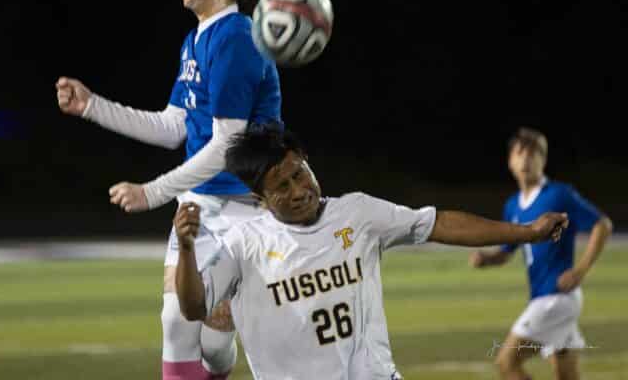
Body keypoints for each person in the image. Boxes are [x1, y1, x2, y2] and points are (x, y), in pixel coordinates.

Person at [56, 0, 287, 379]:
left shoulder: (239, 37)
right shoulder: (194, 40)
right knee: (178, 321)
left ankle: (226, 338)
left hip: (246, 205)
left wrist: (152, 192)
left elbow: (228, 144)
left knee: (215, 342)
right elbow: (173, 126)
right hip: (200, 203)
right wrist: (92, 107)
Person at [172, 125, 569, 380]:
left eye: (300, 173)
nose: (299, 190)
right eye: (282, 186)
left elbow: (439, 223)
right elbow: (194, 307)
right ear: (260, 197)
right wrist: (187, 248)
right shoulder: (245, 244)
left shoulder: (358, 213)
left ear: (308, 163)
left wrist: (527, 232)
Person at [470, 127, 612, 380]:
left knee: (506, 362)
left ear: (543, 160)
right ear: (510, 161)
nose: (526, 159)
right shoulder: (512, 205)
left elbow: (602, 225)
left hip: (555, 298)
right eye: (520, 153)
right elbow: (507, 250)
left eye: (533, 154)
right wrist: (488, 259)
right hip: (547, 298)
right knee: (567, 375)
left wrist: (580, 270)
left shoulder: (559, 194)